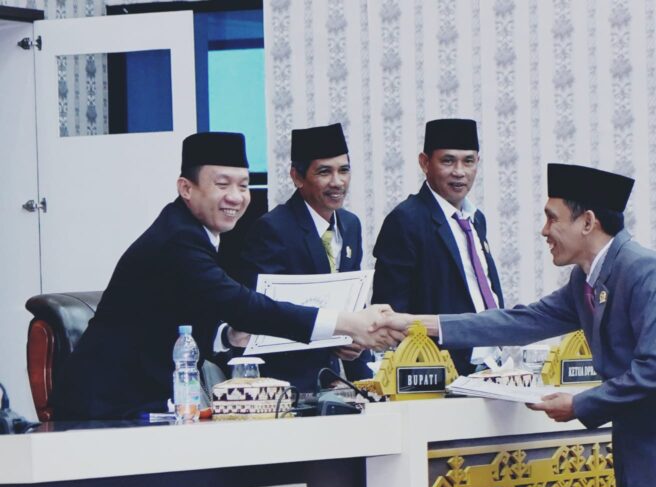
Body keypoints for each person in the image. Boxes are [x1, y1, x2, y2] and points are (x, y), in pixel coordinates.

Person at [379, 163, 656, 487]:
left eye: (551, 218)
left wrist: (578, 404)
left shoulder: (645, 271)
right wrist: (416, 324)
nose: (544, 231)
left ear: (587, 222)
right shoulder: (585, 281)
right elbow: (520, 321)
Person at [52, 132, 395, 420]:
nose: (236, 197)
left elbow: (202, 313)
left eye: (244, 185)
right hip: (104, 406)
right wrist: (347, 323)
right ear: (186, 188)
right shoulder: (179, 239)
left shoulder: (199, 232)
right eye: (222, 184)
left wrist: (230, 336)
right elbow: (242, 305)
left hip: (145, 399)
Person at [237, 123, 372, 391]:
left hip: (336, 380)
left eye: (344, 170)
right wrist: (331, 337)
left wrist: (360, 363)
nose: (337, 182)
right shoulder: (272, 229)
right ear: (297, 177)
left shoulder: (350, 225)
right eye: (324, 172)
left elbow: (353, 302)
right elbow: (263, 315)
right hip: (288, 384)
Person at [371, 118, 503, 376]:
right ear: (425, 163)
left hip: (491, 365)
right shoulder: (406, 220)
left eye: (468, 161)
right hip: (440, 371)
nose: (459, 172)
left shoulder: (476, 218)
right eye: (448, 161)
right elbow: (391, 312)